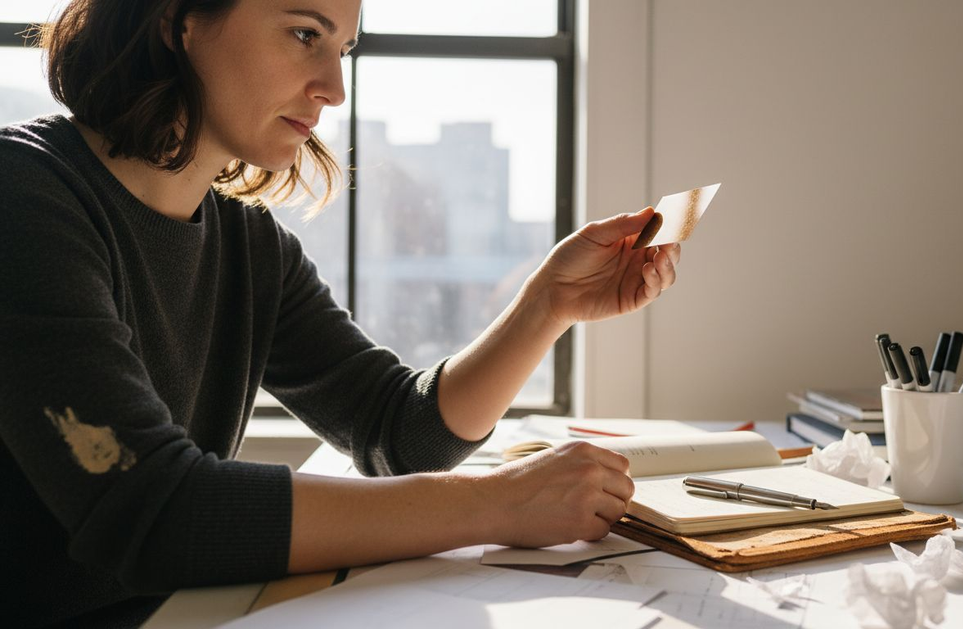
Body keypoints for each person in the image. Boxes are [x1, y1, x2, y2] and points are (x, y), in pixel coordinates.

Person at [0, 0, 681, 626]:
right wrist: (499, 503)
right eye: (304, 35)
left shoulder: (248, 243)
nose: (334, 88)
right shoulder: (23, 198)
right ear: (179, 18)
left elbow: (402, 434)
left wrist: (547, 304)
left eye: (344, 50)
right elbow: (157, 512)